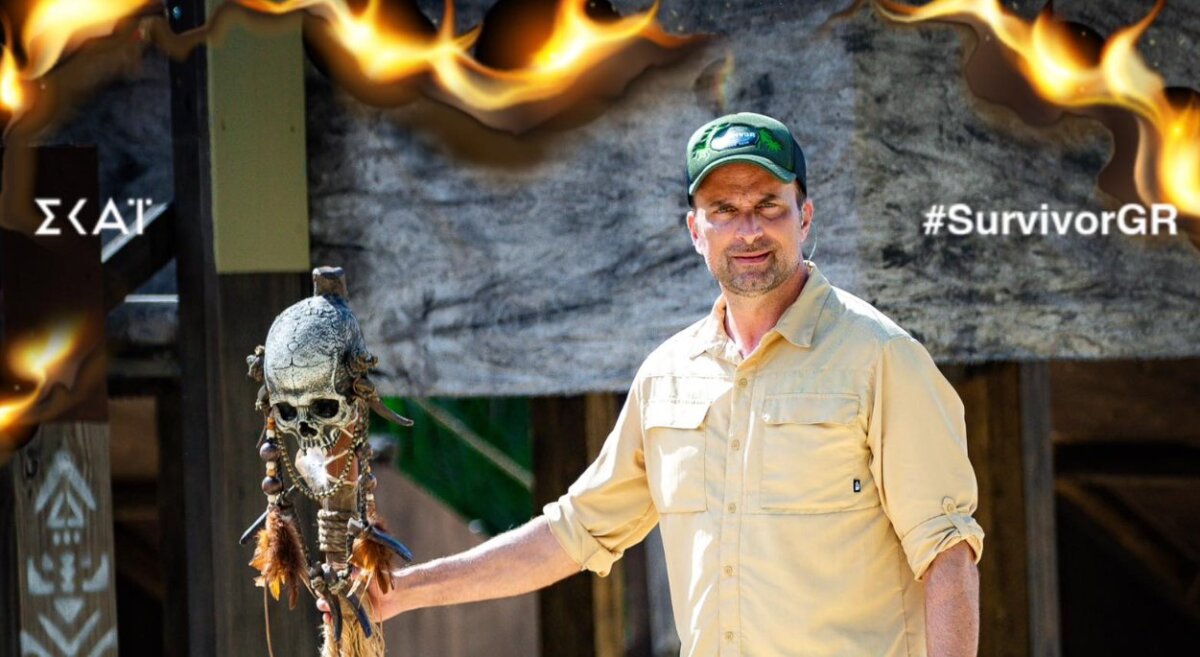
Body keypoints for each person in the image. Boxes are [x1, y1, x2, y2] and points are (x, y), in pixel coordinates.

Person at [326, 112, 984, 657]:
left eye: (769, 206)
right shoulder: (668, 377)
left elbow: (946, 554)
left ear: (805, 217)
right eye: (724, 210)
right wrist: (404, 591)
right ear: (696, 231)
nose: (749, 229)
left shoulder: (882, 359)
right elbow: (573, 532)